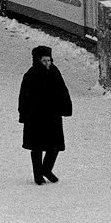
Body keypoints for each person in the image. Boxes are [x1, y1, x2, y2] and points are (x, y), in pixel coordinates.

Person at [19, 45, 73, 185]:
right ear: (38, 60)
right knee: (37, 147)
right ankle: (38, 174)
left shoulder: (55, 72)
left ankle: (46, 169)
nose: (47, 63)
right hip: (35, 116)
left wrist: (66, 107)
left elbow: (63, 90)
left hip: (53, 115)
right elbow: (23, 97)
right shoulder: (30, 75)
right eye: (44, 61)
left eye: (49, 60)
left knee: (54, 146)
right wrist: (23, 114)